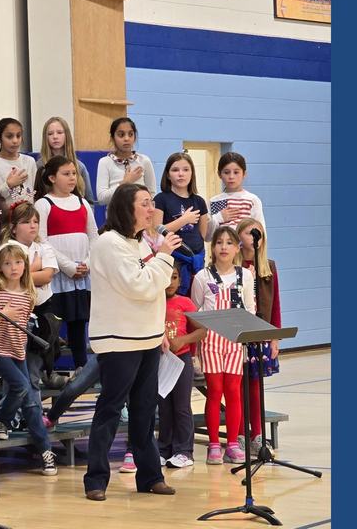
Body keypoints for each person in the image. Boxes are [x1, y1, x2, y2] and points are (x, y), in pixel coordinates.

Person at [83, 183, 179, 501]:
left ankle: (150, 476)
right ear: (127, 207)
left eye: (151, 203)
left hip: (147, 338)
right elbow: (138, 285)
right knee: (110, 409)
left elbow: (156, 289)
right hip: (118, 340)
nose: (151, 209)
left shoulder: (137, 243)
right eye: (145, 204)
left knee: (144, 411)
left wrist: (160, 331)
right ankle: (96, 480)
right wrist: (164, 258)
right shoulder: (109, 243)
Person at [0, 243, 58, 476]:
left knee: (32, 403)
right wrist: (3, 315)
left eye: (18, 262)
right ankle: (2, 418)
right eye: (7, 263)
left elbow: (24, 325)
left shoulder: (29, 295)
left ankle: (46, 450)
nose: (13, 267)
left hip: (19, 351)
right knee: (22, 386)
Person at [191, 226, 256, 465]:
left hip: (235, 340)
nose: (224, 247)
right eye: (219, 242)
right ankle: (214, 445)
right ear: (213, 247)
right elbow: (196, 310)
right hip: (211, 341)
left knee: (233, 391)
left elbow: (250, 309)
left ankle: (232, 443)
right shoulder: (202, 277)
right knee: (215, 391)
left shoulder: (246, 276)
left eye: (229, 242)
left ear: (238, 247)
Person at [34, 156, 98, 368]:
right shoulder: (43, 204)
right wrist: (68, 266)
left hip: (82, 274)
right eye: (66, 174)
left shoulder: (82, 203)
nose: (72, 178)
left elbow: (94, 236)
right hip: (57, 275)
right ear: (52, 178)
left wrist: (87, 263)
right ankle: (49, 370)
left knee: (79, 323)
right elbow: (41, 240)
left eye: (74, 174)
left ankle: (82, 367)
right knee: (52, 323)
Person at [0, 201, 60, 389]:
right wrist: (34, 268)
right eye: (26, 222)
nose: (32, 226)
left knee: (36, 366)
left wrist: (27, 273)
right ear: (14, 227)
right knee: (19, 367)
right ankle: (15, 413)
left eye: (35, 221)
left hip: (43, 308)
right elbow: (10, 280)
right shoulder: (7, 249)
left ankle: (33, 410)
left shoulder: (44, 247)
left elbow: (47, 276)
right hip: (19, 311)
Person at [236, 218, 281, 457]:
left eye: (259, 233)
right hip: (236, 335)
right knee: (237, 387)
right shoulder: (232, 265)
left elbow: (275, 305)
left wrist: (275, 337)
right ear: (239, 237)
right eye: (248, 233)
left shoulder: (269, 266)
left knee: (255, 387)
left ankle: (257, 434)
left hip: (260, 334)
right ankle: (240, 434)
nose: (254, 237)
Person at [159, 267, 206, 468]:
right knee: (164, 407)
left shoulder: (185, 303)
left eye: (174, 277)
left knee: (181, 406)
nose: (170, 282)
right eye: (166, 277)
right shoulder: (153, 303)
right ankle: (163, 449)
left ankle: (184, 451)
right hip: (160, 362)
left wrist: (183, 340)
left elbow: (203, 330)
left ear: (180, 280)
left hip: (181, 360)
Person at [153, 151, 209, 295]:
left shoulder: (199, 201)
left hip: (196, 258)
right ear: (167, 174)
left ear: (192, 173)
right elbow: (156, 230)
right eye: (175, 170)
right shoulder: (161, 199)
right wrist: (183, 220)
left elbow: (202, 233)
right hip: (174, 258)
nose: (181, 174)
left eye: (185, 170)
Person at [95, 117, 156, 204]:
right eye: (121, 135)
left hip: (141, 215)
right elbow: (102, 199)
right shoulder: (105, 162)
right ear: (113, 138)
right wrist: (125, 183)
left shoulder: (144, 161)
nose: (126, 139)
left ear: (135, 137)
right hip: (115, 215)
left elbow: (152, 194)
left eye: (130, 134)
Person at [207, 152, 266, 238]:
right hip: (222, 250)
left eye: (236, 172)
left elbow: (261, 232)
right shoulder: (214, 201)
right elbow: (208, 236)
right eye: (226, 172)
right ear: (219, 174)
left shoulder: (252, 200)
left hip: (245, 250)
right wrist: (218, 217)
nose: (231, 177)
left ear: (244, 174)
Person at [38, 116, 95, 203]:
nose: (55, 137)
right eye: (50, 134)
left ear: (66, 135)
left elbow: (89, 201)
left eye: (60, 132)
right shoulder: (39, 166)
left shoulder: (79, 166)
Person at [0, 117, 37, 203]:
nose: (15, 140)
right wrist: (9, 185)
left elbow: (36, 192)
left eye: (18, 136)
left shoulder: (29, 161)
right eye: (9, 136)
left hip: (28, 215)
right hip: (4, 214)